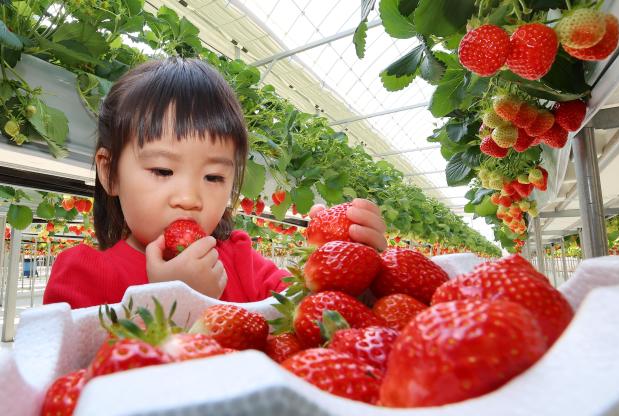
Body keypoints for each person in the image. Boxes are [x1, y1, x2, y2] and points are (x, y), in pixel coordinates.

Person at [43, 57, 387, 309]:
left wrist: (349, 264)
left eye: (214, 177)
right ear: (110, 172)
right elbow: (82, 385)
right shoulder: (83, 276)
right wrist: (172, 300)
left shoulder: (240, 261)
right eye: (162, 170)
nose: (190, 198)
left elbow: (311, 314)